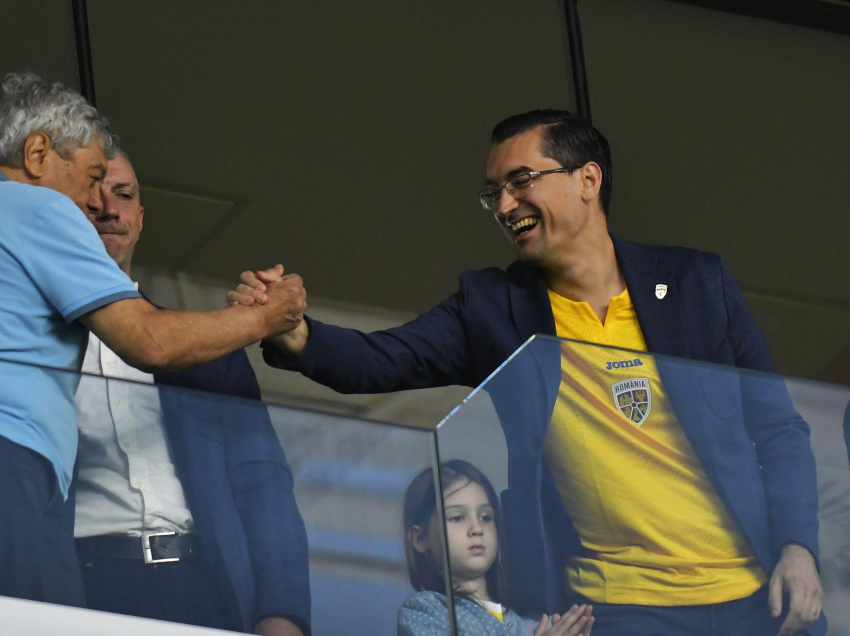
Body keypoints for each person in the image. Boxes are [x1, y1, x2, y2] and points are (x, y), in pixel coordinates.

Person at [231, 110, 823, 635]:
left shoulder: (697, 282)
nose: (505, 206)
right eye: (494, 194)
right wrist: (294, 332)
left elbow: (779, 431)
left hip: (759, 597)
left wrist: (799, 550)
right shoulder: (493, 307)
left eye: (521, 181)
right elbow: (378, 360)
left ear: (588, 180)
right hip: (617, 612)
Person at [0, 72, 305, 606]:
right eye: (92, 175)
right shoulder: (37, 207)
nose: (93, 201)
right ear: (38, 153)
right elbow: (150, 342)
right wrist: (266, 318)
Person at [73, 153, 310, 635]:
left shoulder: (209, 346)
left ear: (140, 219)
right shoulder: (23, 348)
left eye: (124, 195)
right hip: (79, 587)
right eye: (91, 195)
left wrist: (282, 616)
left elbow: (263, 486)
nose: (108, 209)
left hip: (202, 586)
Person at [399, 460, 593, 636]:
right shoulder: (425, 610)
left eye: (486, 517)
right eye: (457, 517)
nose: (477, 529)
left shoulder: (528, 620)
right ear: (420, 538)